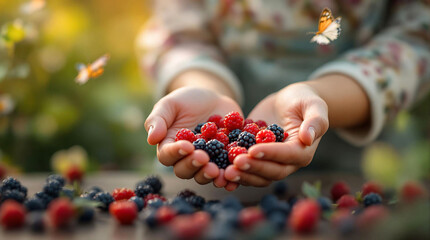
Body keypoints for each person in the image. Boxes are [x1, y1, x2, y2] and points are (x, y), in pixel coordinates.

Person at [137, 0, 430, 191]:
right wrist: (204, 86)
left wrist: (320, 96)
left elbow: (416, 39)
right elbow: (179, 35)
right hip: (210, 183)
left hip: (356, 179)